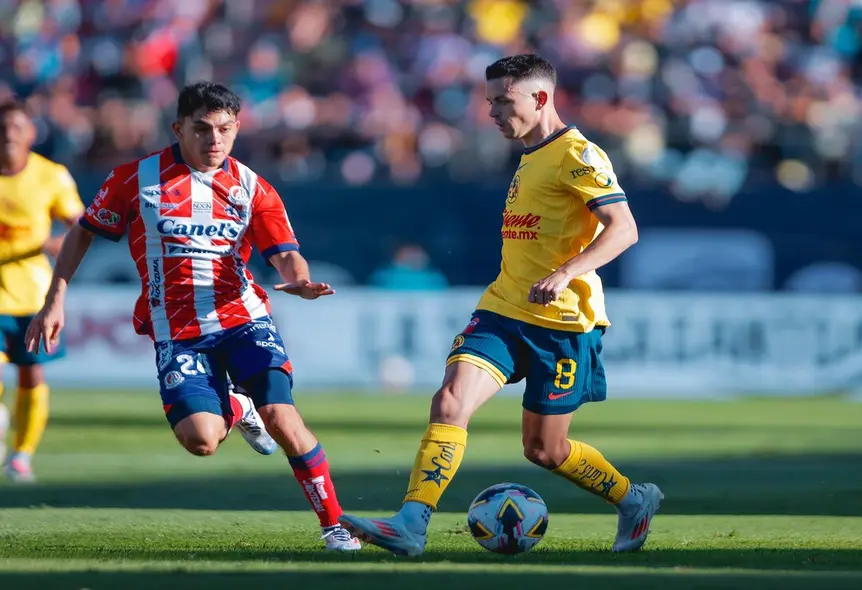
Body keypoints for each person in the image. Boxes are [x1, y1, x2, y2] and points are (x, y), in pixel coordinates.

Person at [339, 54, 662, 556]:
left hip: (563, 323)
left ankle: (632, 498)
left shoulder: (578, 154)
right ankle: (411, 524)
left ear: (540, 98)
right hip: (504, 309)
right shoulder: (530, 154)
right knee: (450, 401)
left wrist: (565, 273)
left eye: (503, 102)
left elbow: (625, 229)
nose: (492, 112)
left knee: (544, 450)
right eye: (489, 101)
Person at [24, 82, 360, 551]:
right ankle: (238, 407)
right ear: (178, 128)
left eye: (224, 129)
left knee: (282, 417)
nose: (214, 140)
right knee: (201, 440)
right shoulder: (136, 179)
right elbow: (83, 232)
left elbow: (285, 254)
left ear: (237, 128)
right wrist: (55, 299)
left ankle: (335, 525)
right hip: (177, 330)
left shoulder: (252, 186)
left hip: (243, 319)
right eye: (202, 129)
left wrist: (300, 281)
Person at [0, 99, 84, 483]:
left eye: (17, 127)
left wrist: (58, 242)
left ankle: (21, 455)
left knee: (31, 376)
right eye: (3, 128)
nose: (8, 135)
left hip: (33, 296)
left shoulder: (51, 176)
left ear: (31, 133)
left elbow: (80, 226)